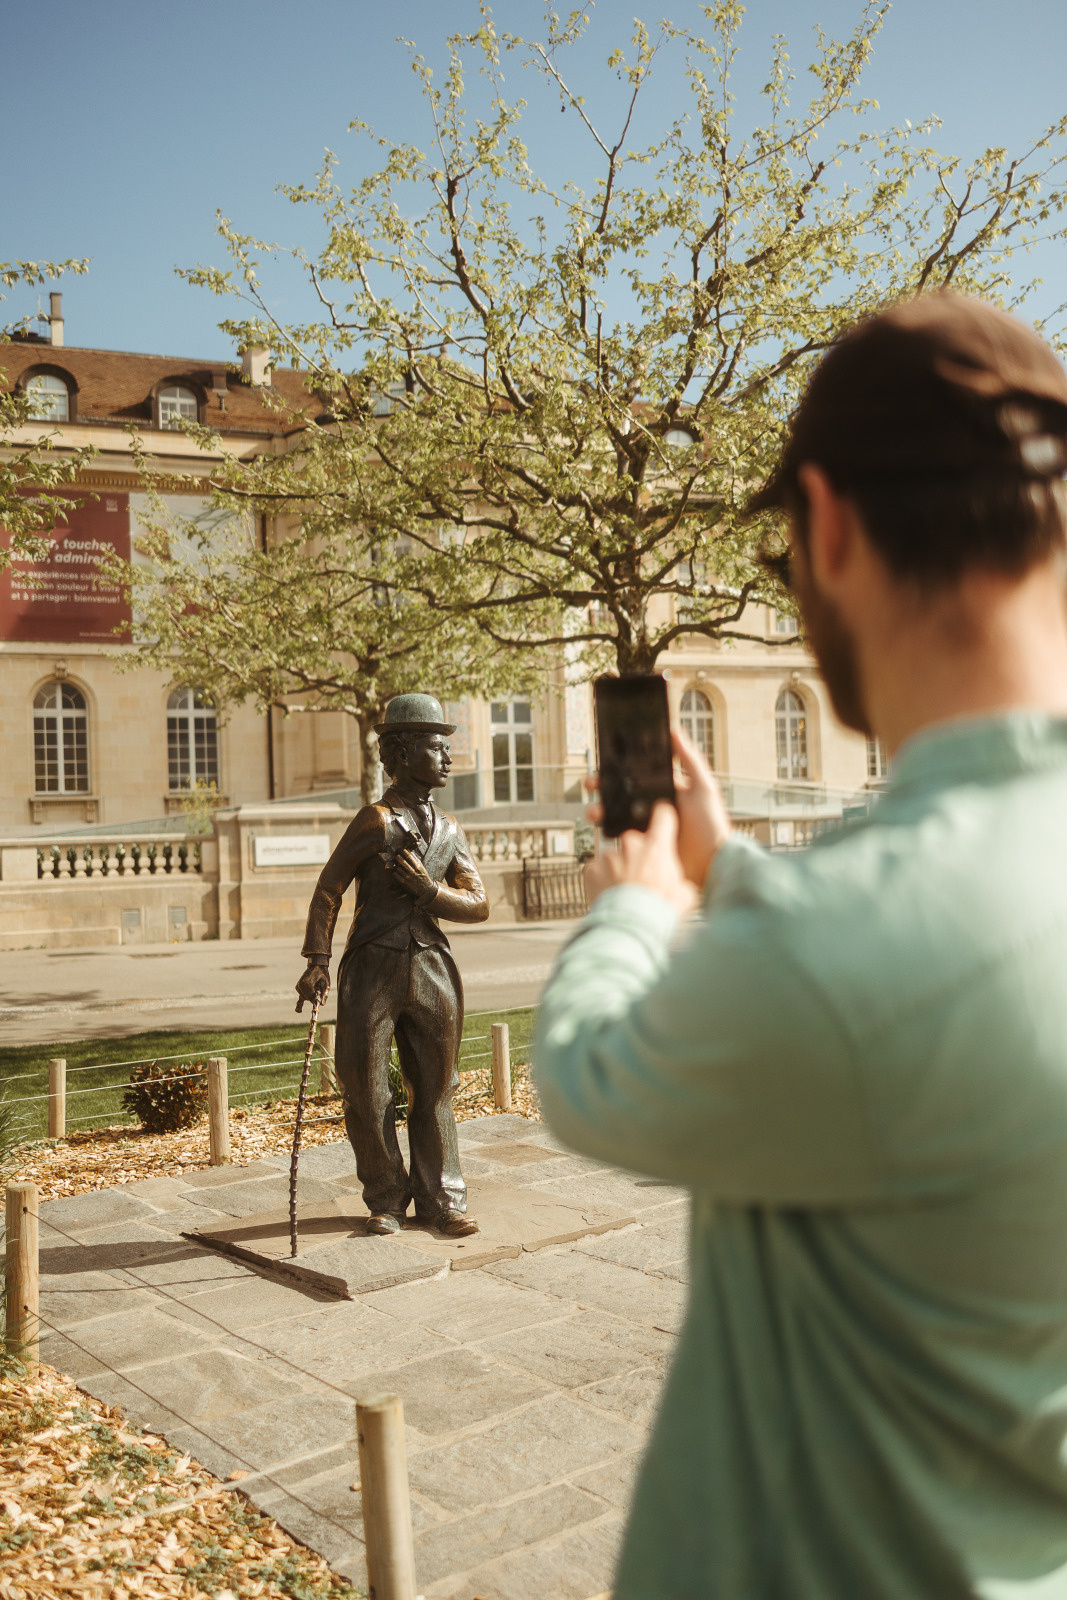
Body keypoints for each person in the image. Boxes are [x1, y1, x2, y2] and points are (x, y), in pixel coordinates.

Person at [534, 294, 1067, 1598]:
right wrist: (734, 873)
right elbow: (896, 980)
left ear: (824, 526)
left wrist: (638, 905)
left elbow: (587, 1075)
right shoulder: (884, 922)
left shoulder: (843, 948)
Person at [296, 693, 488, 1237]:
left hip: (431, 967)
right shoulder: (374, 822)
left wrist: (430, 892)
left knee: (436, 1087)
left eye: (448, 746)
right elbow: (329, 888)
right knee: (366, 1087)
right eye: (436, 746)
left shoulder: (449, 831)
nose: (448, 757)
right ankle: (385, 1197)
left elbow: (479, 903)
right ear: (402, 754)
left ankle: (441, 1199)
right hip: (373, 967)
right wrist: (317, 960)